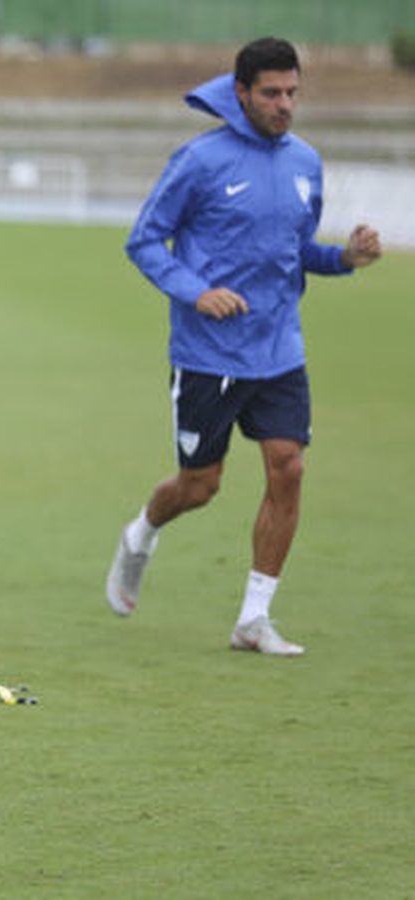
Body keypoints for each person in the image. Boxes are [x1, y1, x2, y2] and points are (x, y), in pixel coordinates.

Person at [107, 37, 381, 655]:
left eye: (292, 92)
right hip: (208, 354)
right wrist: (197, 291)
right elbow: (145, 242)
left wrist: (345, 258)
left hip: (280, 349)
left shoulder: (306, 162)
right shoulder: (199, 162)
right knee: (200, 486)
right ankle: (142, 532)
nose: (284, 104)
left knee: (290, 466)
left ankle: (253, 620)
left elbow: (296, 251)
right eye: (271, 93)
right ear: (240, 93)